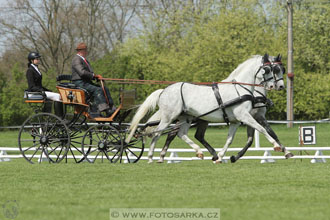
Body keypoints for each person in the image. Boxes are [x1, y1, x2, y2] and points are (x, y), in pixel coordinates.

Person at [71, 42, 115, 117]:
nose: (87, 52)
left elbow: (88, 73)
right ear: (82, 51)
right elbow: (82, 73)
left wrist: (96, 78)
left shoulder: (84, 60)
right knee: (97, 90)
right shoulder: (76, 59)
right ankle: (105, 109)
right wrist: (94, 76)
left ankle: (111, 107)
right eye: (86, 50)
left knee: (104, 88)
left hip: (86, 82)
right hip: (80, 83)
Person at [26, 52, 63, 116]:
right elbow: (32, 86)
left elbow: (39, 85)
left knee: (57, 95)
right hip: (33, 93)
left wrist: (46, 90)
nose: (38, 60)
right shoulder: (30, 71)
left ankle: (49, 114)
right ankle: (59, 117)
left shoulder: (36, 69)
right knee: (58, 96)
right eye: (36, 59)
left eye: (38, 59)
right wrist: (41, 91)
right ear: (32, 60)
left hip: (38, 91)